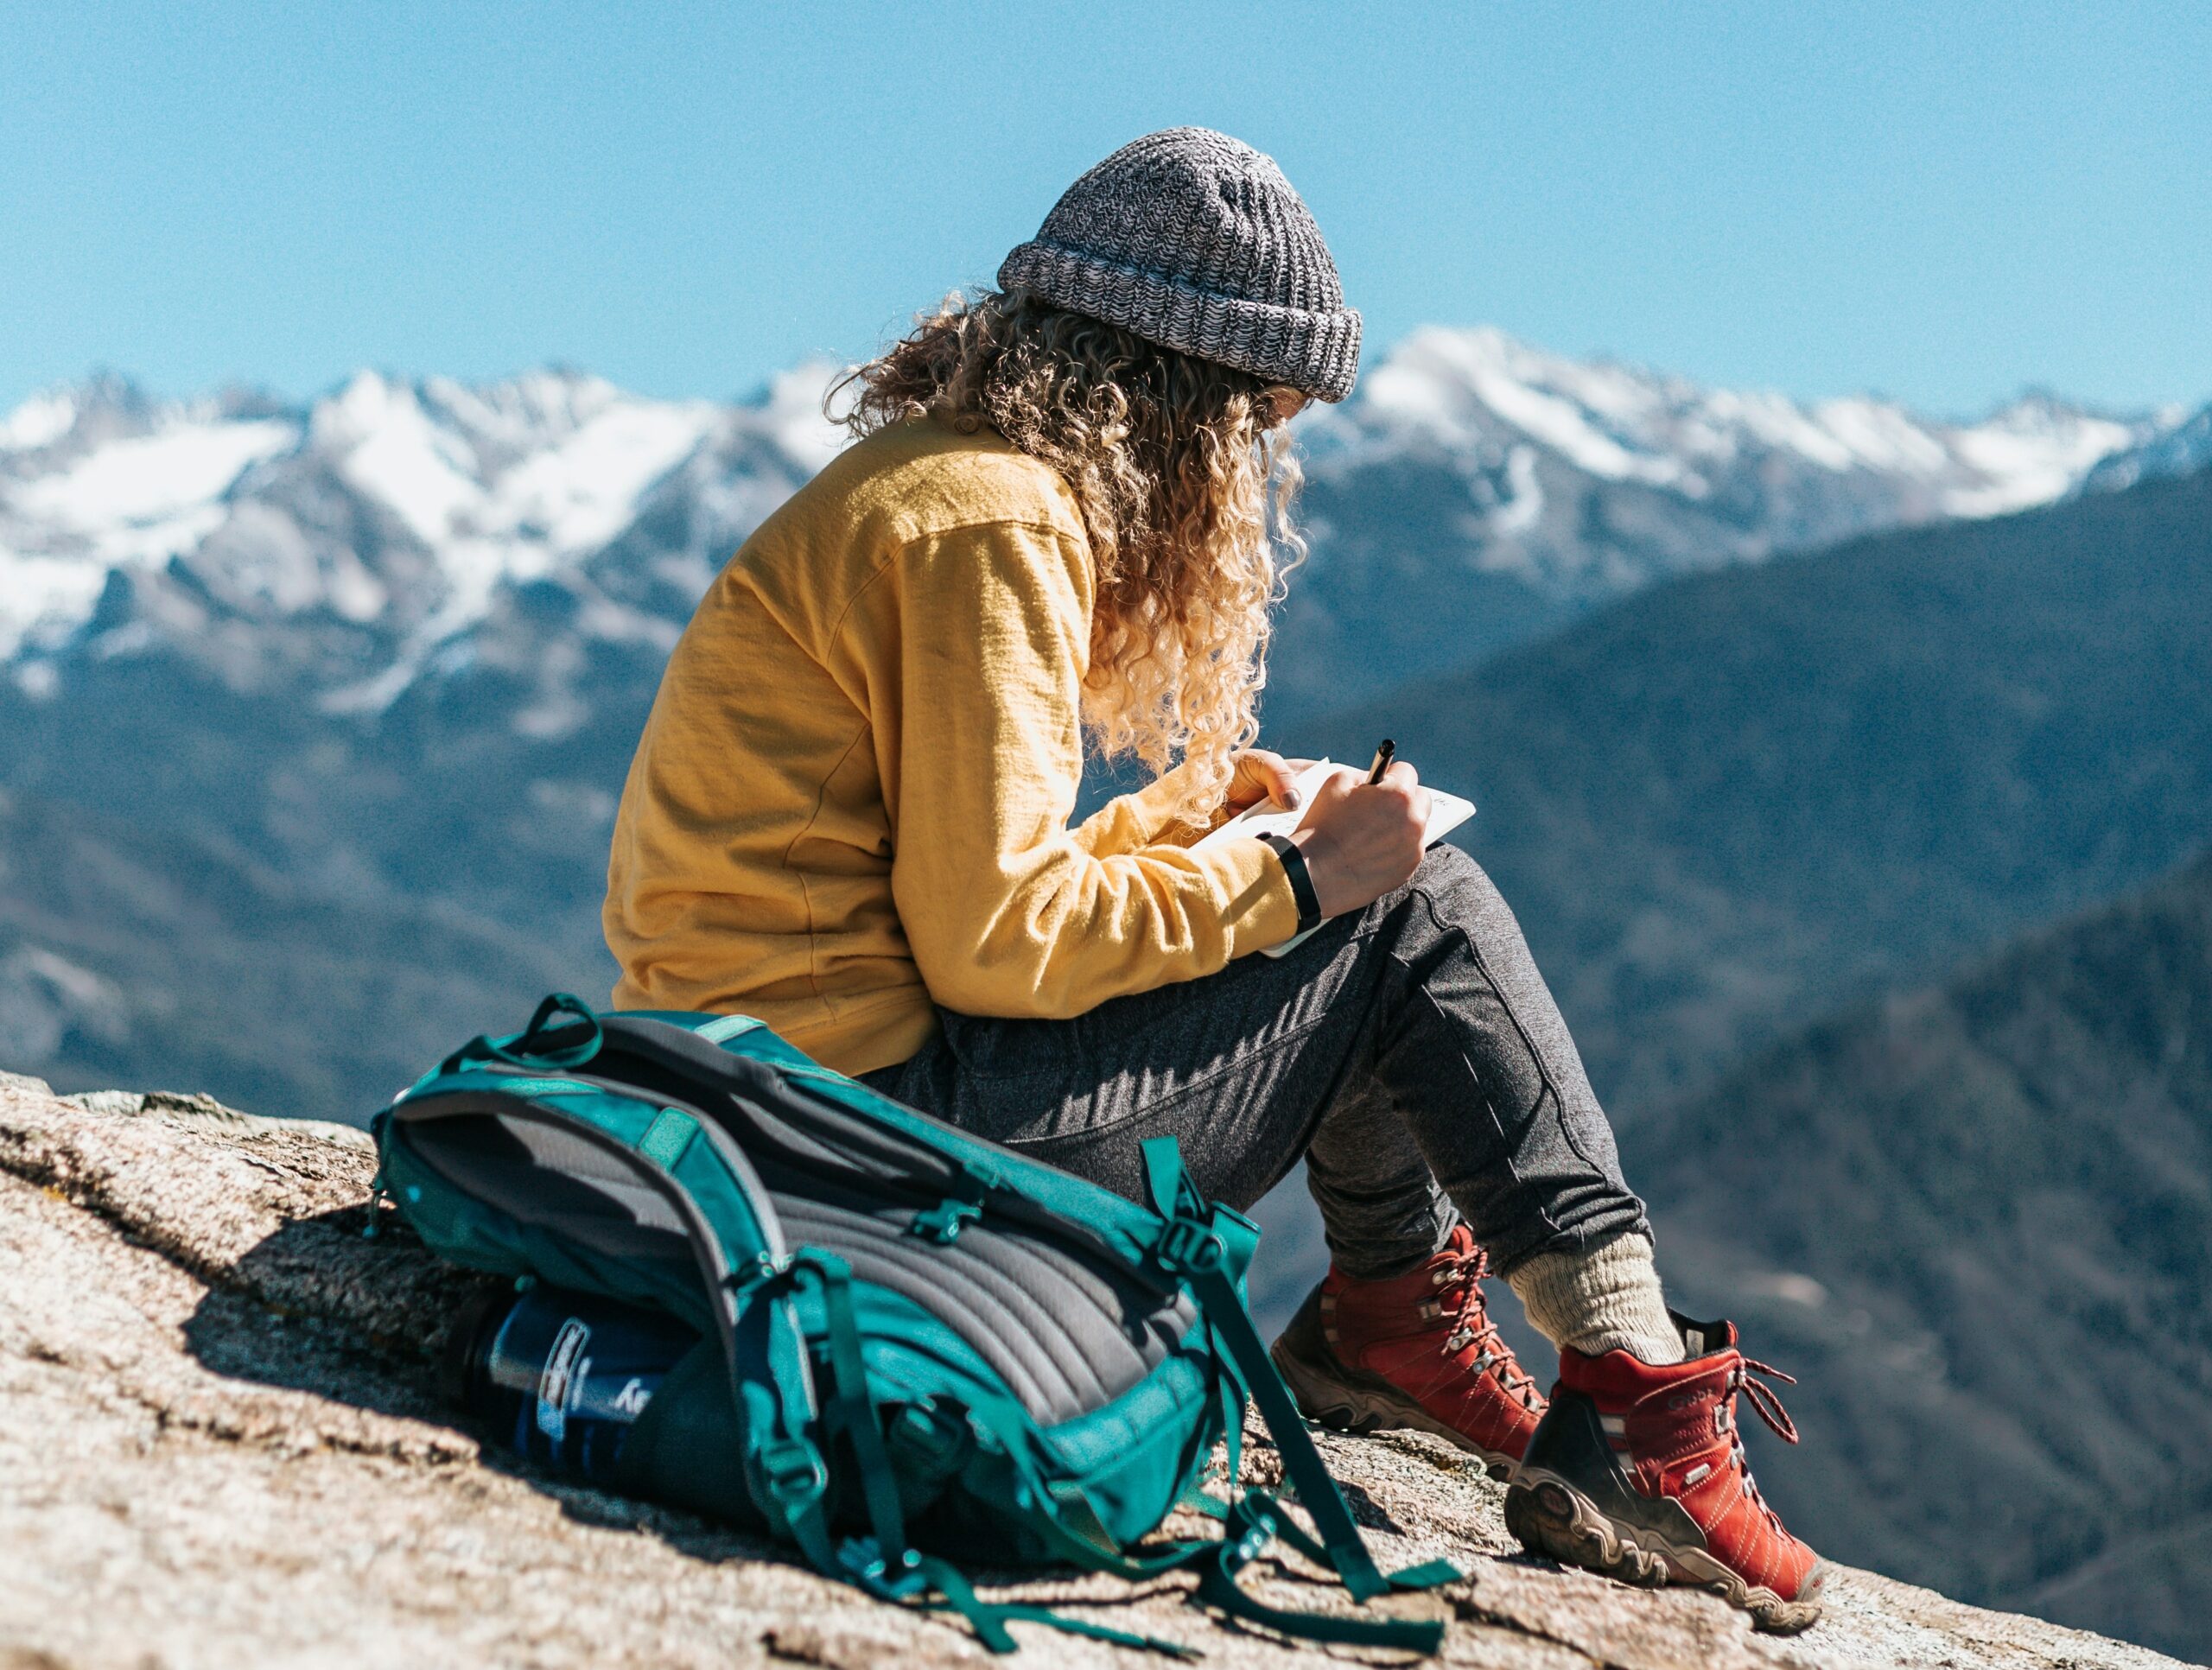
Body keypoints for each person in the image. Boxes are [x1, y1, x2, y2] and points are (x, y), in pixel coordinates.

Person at [603, 128, 1824, 1632]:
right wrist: (1299, 885)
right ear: (1180, 396)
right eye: (1256, 420)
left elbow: (928, 888)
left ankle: (1393, 1320)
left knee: (1375, 896)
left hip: (765, 1104)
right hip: (864, 1144)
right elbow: (994, 945)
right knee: (1416, 910)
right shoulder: (998, 523)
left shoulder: (926, 487)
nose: (1256, 464)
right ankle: (1640, 1407)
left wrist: (1190, 826)